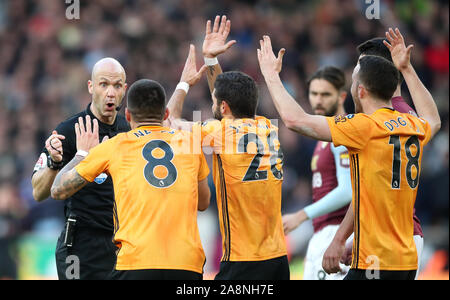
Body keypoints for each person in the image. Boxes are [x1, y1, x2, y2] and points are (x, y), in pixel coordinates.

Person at [257, 28, 440, 280]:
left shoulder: (364, 126)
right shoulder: (413, 124)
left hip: (377, 258)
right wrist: (407, 69)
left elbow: (295, 120)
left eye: (354, 81)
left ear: (362, 91)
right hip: (404, 256)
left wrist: (270, 75)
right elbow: (433, 118)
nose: (351, 86)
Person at [50, 67, 211, 280]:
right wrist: (183, 85)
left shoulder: (116, 146)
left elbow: (58, 190)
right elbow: (203, 203)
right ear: (165, 114)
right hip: (187, 264)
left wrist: (81, 154)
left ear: (127, 115)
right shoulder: (189, 144)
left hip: (136, 263)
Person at [167, 16, 289, 280]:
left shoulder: (218, 132)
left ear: (222, 107)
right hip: (278, 258)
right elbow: (226, 105)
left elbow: (171, 121)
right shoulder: (268, 127)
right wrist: (211, 61)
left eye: (216, 101)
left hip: (243, 261)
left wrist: (184, 83)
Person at [31, 58, 130, 280]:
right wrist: (56, 164)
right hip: (80, 247)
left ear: (124, 90)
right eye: (103, 84)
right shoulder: (68, 130)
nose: (110, 93)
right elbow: (38, 192)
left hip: (123, 245)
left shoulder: (129, 131)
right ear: (91, 87)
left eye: (116, 86)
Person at [356, 37, 424, 279]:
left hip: (395, 239)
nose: (357, 73)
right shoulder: (403, 114)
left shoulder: (394, 114)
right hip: (390, 237)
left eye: (362, 66)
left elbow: (296, 121)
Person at [282, 66, 353, 280]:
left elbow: (348, 190)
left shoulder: (344, 132)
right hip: (322, 231)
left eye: (325, 94)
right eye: (314, 94)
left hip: (337, 232)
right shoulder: (325, 136)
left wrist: (301, 215)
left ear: (341, 96)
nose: (318, 100)